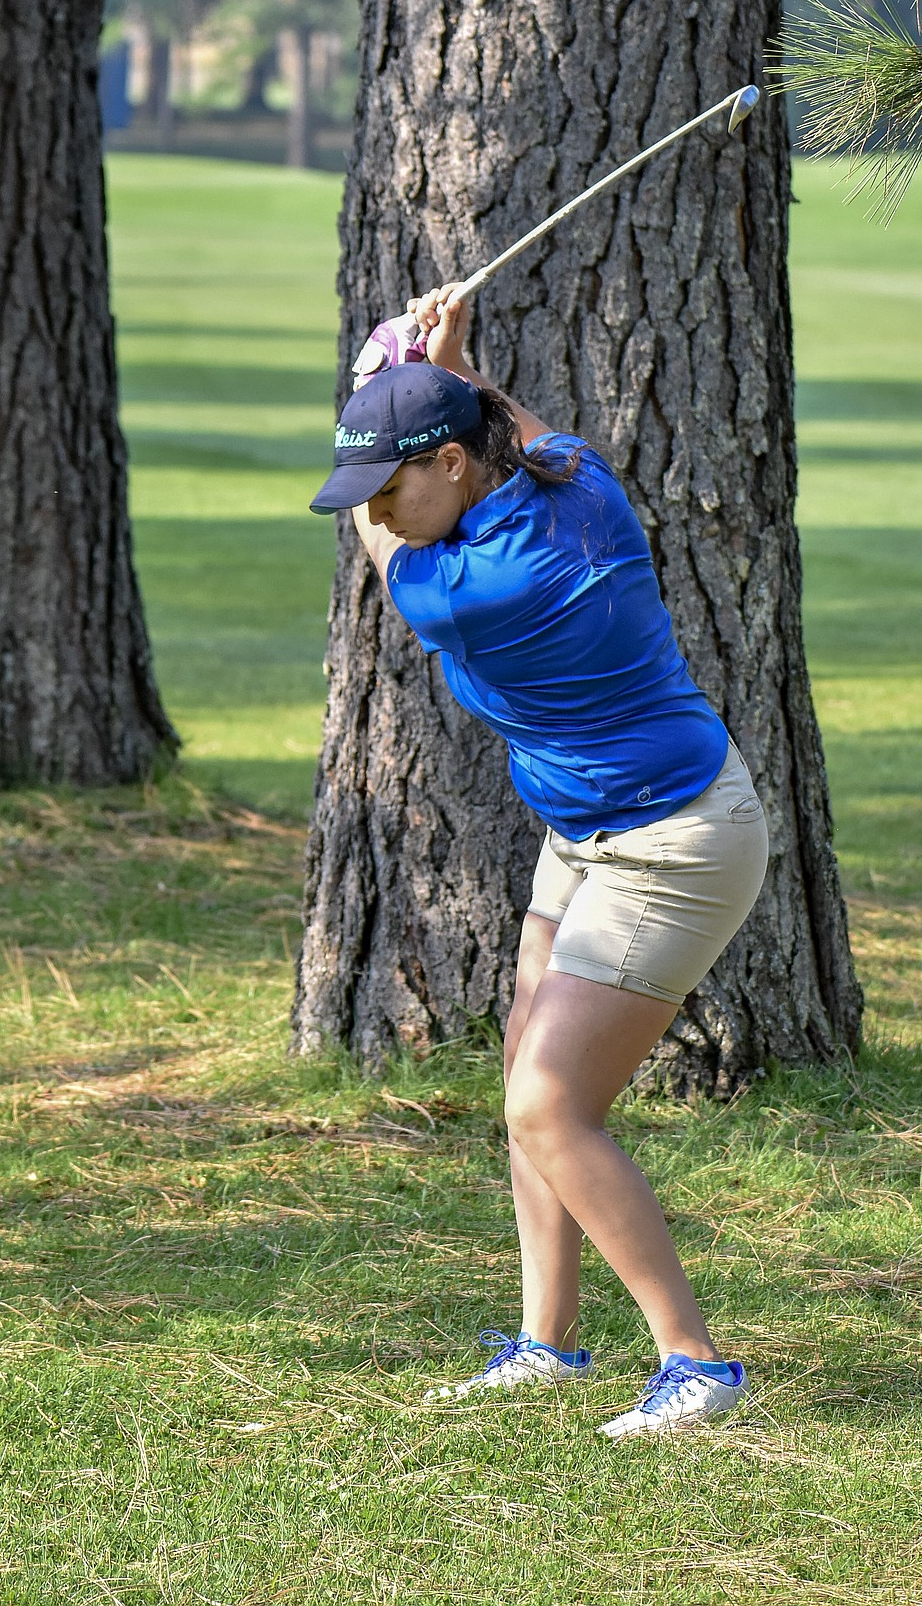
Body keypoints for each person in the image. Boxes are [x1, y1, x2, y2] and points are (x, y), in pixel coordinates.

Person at [310, 286, 770, 1438]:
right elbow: (511, 426)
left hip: (674, 846)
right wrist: (450, 369)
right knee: (527, 1085)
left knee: (551, 1103)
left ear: (456, 467)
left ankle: (697, 1365)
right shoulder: (577, 483)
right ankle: (548, 1344)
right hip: (591, 831)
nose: (377, 504)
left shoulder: (482, 589)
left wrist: (370, 381)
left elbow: (375, 546)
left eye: (391, 479)